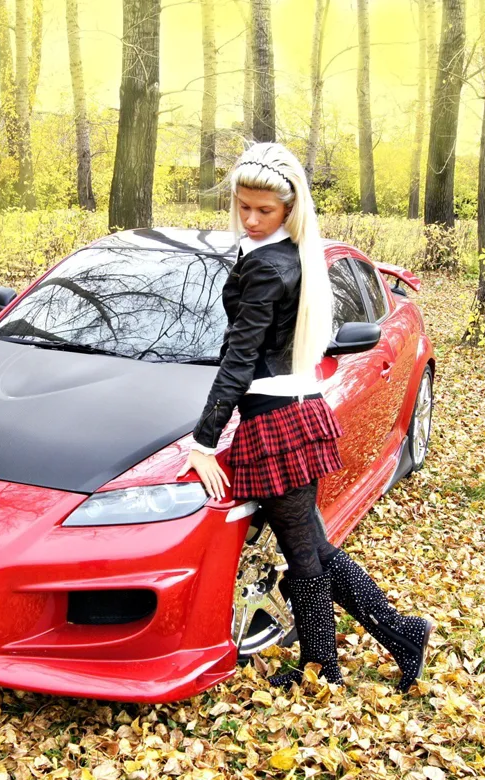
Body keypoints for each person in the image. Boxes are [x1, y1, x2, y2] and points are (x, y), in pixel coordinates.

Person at [177, 141, 434, 693]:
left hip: (274, 422)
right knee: (313, 546)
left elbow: (238, 359)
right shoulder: (281, 253)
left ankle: (327, 664)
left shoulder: (271, 266)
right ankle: (396, 636)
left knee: (304, 552)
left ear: (290, 208)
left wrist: (203, 440)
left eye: (262, 210)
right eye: (242, 206)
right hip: (294, 410)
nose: (249, 218)